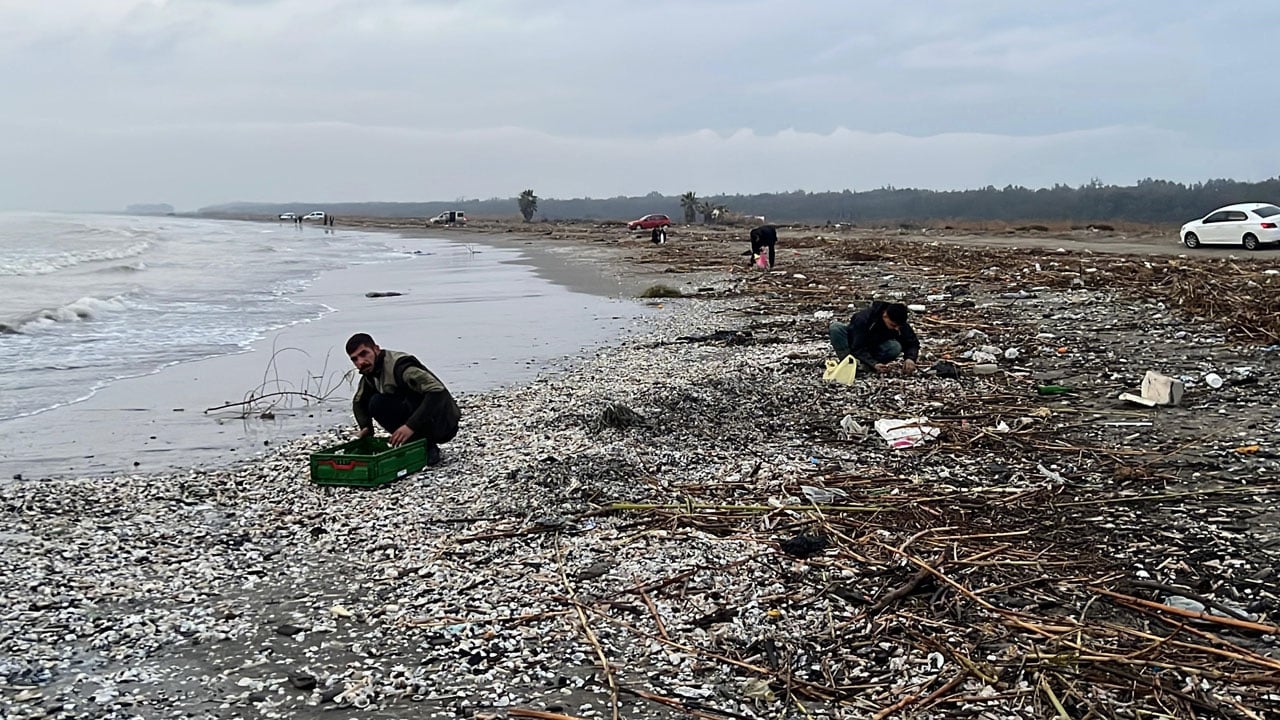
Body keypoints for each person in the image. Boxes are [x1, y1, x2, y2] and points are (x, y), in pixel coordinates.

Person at [346, 333, 461, 466]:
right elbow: (359, 402)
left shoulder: (401, 366)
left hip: (443, 423)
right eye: (355, 359)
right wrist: (366, 427)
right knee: (375, 402)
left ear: (376, 349)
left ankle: (428, 445)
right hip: (418, 418)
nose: (360, 362)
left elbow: (437, 392)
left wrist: (410, 426)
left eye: (364, 354)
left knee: (379, 402)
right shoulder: (370, 372)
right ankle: (415, 444)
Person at [829, 301, 920, 375]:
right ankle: (848, 364)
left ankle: (866, 367)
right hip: (854, 345)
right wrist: (873, 363)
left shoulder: (898, 321)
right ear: (885, 316)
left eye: (898, 326)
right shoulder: (863, 319)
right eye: (893, 325)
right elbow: (857, 346)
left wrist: (910, 358)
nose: (896, 329)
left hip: (875, 347)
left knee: (894, 347)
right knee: (836, 328)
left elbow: (912, 342)